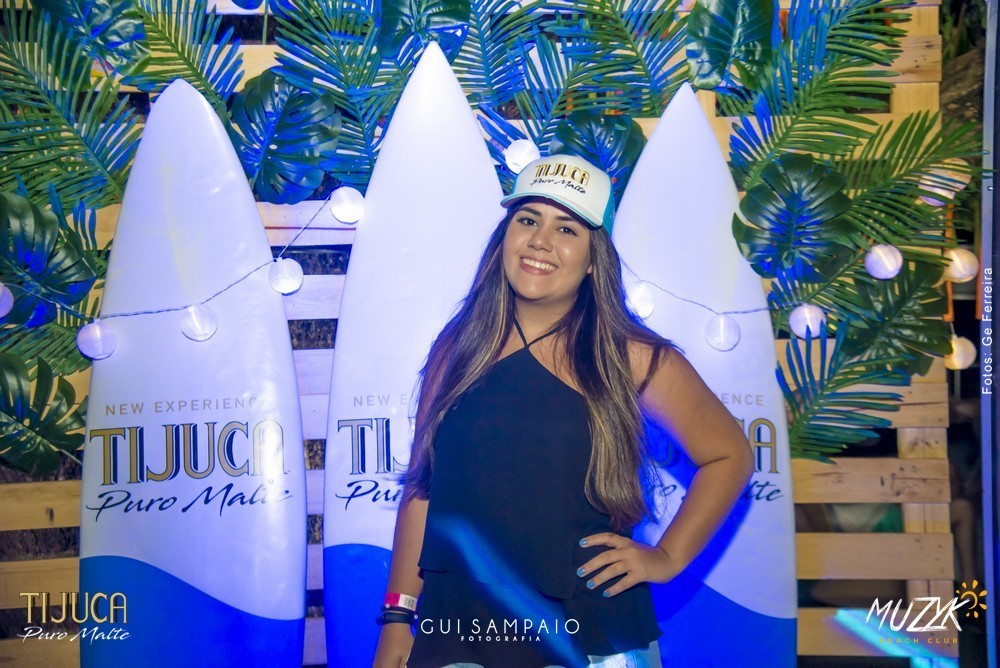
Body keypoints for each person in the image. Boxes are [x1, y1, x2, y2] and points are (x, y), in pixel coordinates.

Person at [372, 154, 755, 668]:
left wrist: (667, 557)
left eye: (567, 229)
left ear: (595, 259)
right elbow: (425, 488)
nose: (540, 241)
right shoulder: (457, 347)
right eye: (528, 219)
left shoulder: (629, 355)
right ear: (505, 237)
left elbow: (730, 455)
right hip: (458, 626)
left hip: (588, 633)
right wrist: (398, 616)